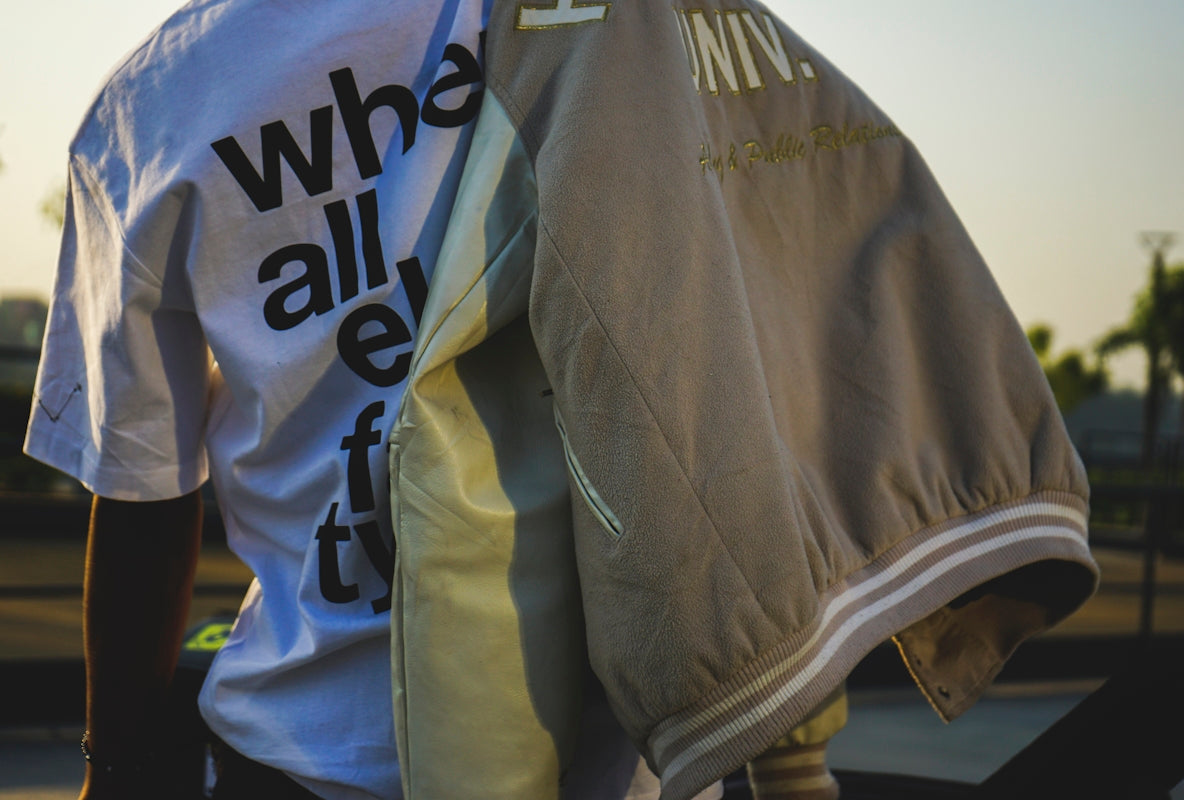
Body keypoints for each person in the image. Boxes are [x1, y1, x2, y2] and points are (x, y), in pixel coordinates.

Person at [381, 1, 1100, 799]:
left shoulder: (593, 25)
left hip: (337, 716)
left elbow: (467, 421)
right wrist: (796, 754)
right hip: (572, 745)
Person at [22, 0, 724, 797]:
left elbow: (142, 497)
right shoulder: (622, 20)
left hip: (304, 744)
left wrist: (113, 772)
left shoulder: (146, 114)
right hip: (634, 740)